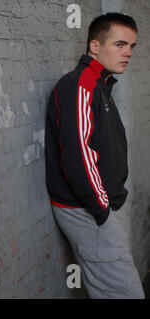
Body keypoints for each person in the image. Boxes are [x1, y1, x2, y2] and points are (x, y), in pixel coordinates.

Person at [45, 13, 144, 298]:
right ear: (95, 46)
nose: (128, 52)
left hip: (101, 206)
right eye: (120, 44)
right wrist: (102, 212)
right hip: (87, 210)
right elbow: (79, 155)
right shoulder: (81, 86)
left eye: (132, 46)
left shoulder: (100, 85)